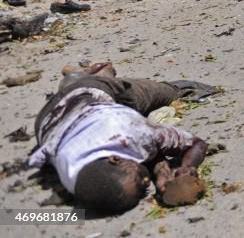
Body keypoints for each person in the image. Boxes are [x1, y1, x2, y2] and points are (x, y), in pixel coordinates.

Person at [28, 63, 211, 213]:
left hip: (89, 93)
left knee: (167, 93)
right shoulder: (80, 181)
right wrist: (164, 174)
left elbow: (196, 144)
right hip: (47, 121)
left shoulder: (129, 132)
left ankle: (98, 75)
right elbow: (140, 158)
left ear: (115, 159)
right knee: (78, 90)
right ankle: (78, 77)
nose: (146, 184)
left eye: (140, 182)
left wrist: (187, 167)